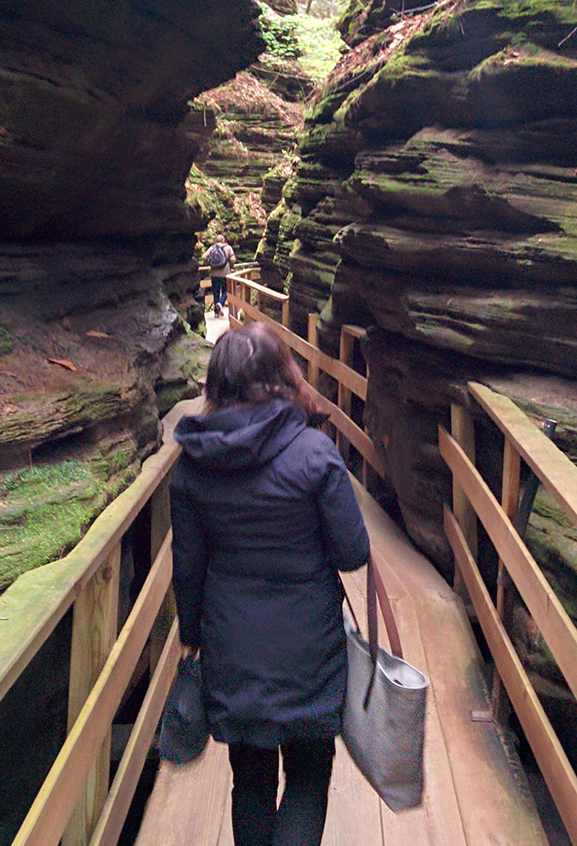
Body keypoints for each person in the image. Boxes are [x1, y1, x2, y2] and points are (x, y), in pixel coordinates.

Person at [171, 323, 371, 846]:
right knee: (307, 778)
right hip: (309, 645)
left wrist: (193, 635)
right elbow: (353, 553)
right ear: (284, 375)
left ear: (215, 384)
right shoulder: (314, 453)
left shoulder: (192, 464)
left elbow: (188, 567)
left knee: (251, 782)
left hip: (233, 644)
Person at [203, 232, 236, 317]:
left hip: (214, 274)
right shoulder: (228, 248)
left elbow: (204, 257)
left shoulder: (212, 248)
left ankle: (216, 313)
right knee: (226, 291)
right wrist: (231, 266)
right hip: (225, 274)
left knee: (215, 292)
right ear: (223, 240)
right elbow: (233, 259)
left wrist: (209, 263)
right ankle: (220, 303)